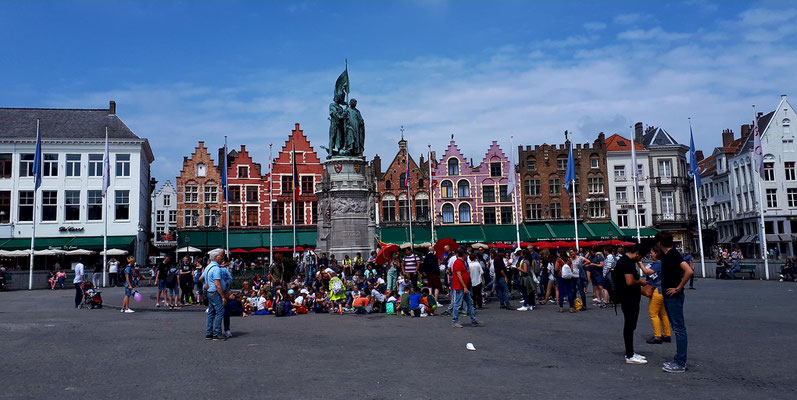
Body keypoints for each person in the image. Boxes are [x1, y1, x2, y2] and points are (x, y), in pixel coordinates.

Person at [656, 231, 693, 373]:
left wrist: (678, 288)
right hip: (669, 296)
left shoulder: (673, 255)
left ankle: (680, 362)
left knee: (679, 329)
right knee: (677, 328)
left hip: (674, 297)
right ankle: (678, 359)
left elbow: (688, 271)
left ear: (660, 243)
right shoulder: (668, 255)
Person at [615, 245, 649, 365]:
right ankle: (630, 354)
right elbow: (630, 282)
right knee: (630, 324)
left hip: (627, 297)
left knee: (630, 325)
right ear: (637, 253)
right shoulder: (627, 263)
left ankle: (630, 352)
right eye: (640, 257)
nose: (640, 259)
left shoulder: (623, 260)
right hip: (629, 298)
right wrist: (640, 282)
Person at [639, 247, 671, 344]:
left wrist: (640, 264)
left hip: (657, 290)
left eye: (652, 252)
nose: (650, 254)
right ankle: (667, 334)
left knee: (653, 313)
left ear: (657, 253)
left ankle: (657, 336)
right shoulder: (661, 263)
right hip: (662, 290)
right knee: (662, 314)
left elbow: (647, 272)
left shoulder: (658, 264)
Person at [451, 249, 482, 328]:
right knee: (457, 304)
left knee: (470, 302)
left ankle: (474, 319)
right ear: (464, 254)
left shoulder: (462, 263)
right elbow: (459, 275)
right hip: (460, 287)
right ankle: (455, 321)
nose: (467, 256)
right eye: (466, 254)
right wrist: (464, 286)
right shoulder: (458, 262)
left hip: (464, 286)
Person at [202, 249, 226, 340]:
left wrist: (206, 285)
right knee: (220, 312)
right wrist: (223, 296)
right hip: (215, 292)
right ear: (216, 257)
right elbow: (217, 284)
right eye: (221, 256)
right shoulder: (216, 269)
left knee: (211, 312)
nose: (222, 258)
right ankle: (217, 333)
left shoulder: (208, 267)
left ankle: (209, 332)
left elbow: (201, 278)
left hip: (210, 292)